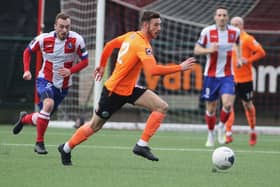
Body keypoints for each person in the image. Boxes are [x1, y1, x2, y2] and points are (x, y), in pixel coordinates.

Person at [57, 11, 196, 165]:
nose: (159, 28)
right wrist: (180, 67)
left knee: (161, 106)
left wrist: (102, 65)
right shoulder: (141, 44)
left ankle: (141, 145)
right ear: (145, 25)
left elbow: (109, 45)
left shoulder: (131, 36)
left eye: (160, 25)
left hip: (129, 89)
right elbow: (153, 71)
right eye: (156, 25)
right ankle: (66, 148)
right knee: (94, 126)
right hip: (113, 92)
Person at [12, 12, 89, 154]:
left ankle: (24, 119)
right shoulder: (43, 39)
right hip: (45, 80)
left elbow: (85, 61)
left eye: (67, 27)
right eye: (61, 27)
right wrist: (27, 70)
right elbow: (27, 52)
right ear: (55, 26)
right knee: (48, 104)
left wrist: (70, 71)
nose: (64, 30)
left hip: (63, 86)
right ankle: (39, 143)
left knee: (43, 115)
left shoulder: (77, 40)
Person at [194, 6, 244, 147]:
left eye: (224, 15)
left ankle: (221, 126)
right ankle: (211, 134)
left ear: (227, 18)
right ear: (215, 17)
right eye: (219, 15)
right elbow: (197, 50)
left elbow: (238, 43)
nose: (222, 17)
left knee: (228, 104)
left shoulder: (235, 32)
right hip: (211, 76)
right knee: (211, 108)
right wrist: (210, 50)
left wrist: (239, 58)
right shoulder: (207, 32)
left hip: (228, 75)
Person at [225, 16, 266, 145]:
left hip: (245, 78)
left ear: (242, 26)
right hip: (229, 77)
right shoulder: (226, 38)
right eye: (232, 24)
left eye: (237, 24)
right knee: (227, 105)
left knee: (247, 105)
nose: (235, 26)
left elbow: (261, 52)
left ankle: (253, 131)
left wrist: (246, 60)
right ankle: (228, 133)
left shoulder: (247, 39)